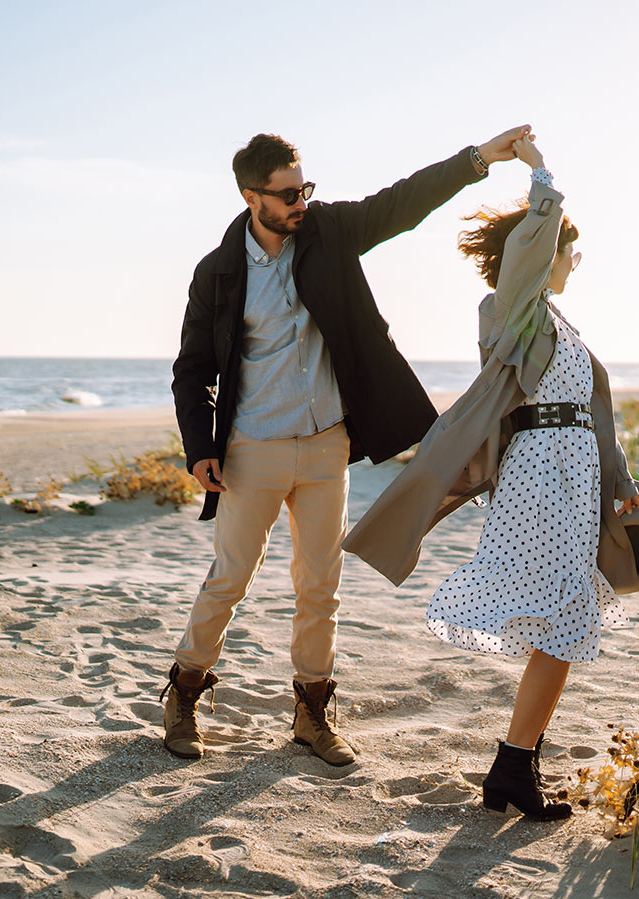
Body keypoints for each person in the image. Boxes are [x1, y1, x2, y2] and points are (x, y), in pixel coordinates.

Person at [163, 125, 532, 766]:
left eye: (305, 186)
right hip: (253, 447)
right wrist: (200, 447)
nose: (300, 200)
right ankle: (185, 696)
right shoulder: (219, 272)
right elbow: (191, 367)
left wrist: (478, 159)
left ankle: (311, 714)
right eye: (286, 193)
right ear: (253, 197)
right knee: (230, 579)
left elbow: (400, 203)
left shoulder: (330, 233)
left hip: (326, 444)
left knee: (320, 586)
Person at [343, 135, 639, 816]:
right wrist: (542, 178)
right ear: (544, 251)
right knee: (564, 617)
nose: (575, 261)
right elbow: (528, 255)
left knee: (566, 620)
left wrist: (620, 480)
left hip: (574, 478)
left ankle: (515, 767)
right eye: (570, 249)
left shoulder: (566, 327)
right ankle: (514, 767)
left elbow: (594, 417)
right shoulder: (514, 312)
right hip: (538, 479)